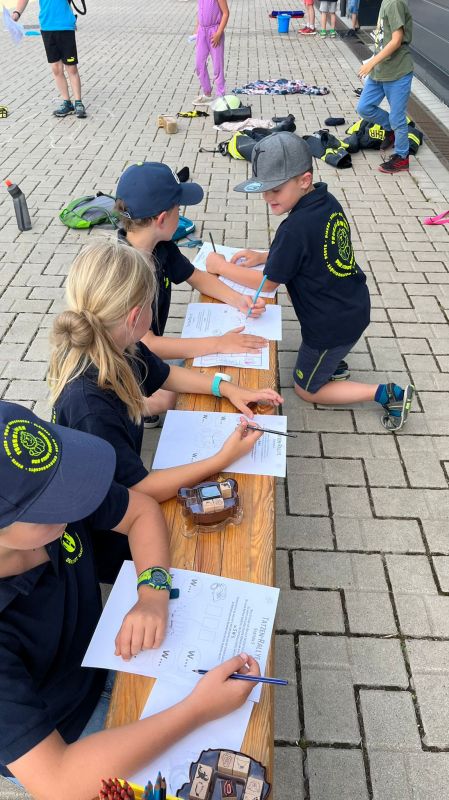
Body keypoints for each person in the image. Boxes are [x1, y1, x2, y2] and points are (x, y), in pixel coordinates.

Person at [0, 400, 260, 799]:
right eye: (52, 507)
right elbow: (58, 781)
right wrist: (198, 709)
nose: (76, 501)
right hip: (69, 734)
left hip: (107, 656)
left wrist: (153, 593)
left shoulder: (51, 497)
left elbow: (140, 510)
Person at [48, 241, 282, 580]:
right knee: (218, 551)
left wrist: (225, 388)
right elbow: (139, 491)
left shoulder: (117, 343)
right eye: (150, 304)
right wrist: (221, 459)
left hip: (126, 499)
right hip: (110, 536)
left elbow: (165, 375)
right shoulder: (91, 408)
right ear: (136, 316)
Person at [206, 132, 415, 431]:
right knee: (321, 362)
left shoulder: (293, 229)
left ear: (304, 180)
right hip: (351, 305)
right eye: (263, 190)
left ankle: (387, 394)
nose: (267, 198)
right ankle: (332, 364)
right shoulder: (326, 201)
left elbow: (266, 284)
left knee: (305, 390)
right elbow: (311, 249)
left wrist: (220, 267)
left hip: (329, 327)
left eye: (275, 190)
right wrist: (264, 255)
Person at [115, 162, 268, 425]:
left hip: (140, 354)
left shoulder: (160, 246)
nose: (181, 214)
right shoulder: (124, 271)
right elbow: (149, 344)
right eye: (179, 209)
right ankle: (129, 407)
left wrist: (240, 300)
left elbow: (195, 277)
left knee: (191, 373)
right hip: (119, 365)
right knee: (171, 397)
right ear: (162, 219)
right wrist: (219, 343)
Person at [357, 0, 413, 174]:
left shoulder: (394, 3)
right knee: (364, 108)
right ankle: (391, 130)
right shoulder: (385, 2)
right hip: (379, 71)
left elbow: (396, 40)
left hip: (397, 72)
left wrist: (371, 62)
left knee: (397, 117)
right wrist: (373, 62)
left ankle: (402, 157)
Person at [10, 0, 86, 118]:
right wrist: (17, 13)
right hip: (47, 27)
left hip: (65, 26)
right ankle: (67, 103)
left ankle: (78, 102)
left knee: (71, 68)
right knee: (56, 68)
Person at [193, 0, 229, 104]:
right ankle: (207, 93)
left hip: (215, 32)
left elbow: (226, 13)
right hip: (202, 32)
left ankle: (221, 95)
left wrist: (219, 33)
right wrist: (196, 29)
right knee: (199, 64)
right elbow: (200, 11)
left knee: (218, 66)